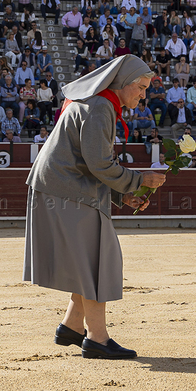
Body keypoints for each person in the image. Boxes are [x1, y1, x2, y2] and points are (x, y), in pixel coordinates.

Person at [23, 55, 167, 361]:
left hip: (64, 187)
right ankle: (97, 338)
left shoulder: (96, 103)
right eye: (140, 87)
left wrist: (123, 195)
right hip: (66, 190)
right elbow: (99, 163)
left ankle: (73, 326)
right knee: (95, 261)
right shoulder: (100, 107)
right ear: (122, 83)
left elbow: (91, 164)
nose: (143, 94)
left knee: (89, 260)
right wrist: (138, 180)